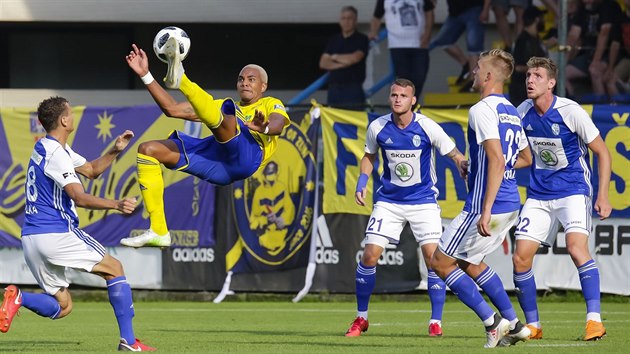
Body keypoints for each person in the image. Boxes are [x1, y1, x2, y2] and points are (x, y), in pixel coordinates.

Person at [0, 96, 155, 351]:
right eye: (70, 113)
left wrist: (115, 149)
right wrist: (116, 205)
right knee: (114, 268)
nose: (72, 117)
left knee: (63, 306)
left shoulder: (50, 148)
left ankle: (18, 297)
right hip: (56, 233)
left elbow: (92, 170)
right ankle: (128, 341)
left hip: (30, 238)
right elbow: (79, 197)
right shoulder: (56, 155)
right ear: (63, 120)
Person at [121, 39, 290, 248]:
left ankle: (182, 79)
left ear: (263, 86)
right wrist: (145, 75)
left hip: (247, 157)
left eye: (251, 79)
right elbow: (172, 110)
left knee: (226, 114)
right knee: (148, 150)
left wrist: (263, 127)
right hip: (218, 163)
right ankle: (159, 230)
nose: (244, 82)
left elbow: (278, 123)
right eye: (241, 79)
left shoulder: (270, 103)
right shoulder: (219, 107)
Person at [345, 78, 468, 338]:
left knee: (434, 261)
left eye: (403, 95)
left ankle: (436, 322)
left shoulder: (426, 126)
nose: (397, 99)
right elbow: (368, 155)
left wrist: (460, 161)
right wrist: (363, 181)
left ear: (413, 100)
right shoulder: (378, 126)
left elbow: (452, 150)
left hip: (423, 202)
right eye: (393, 95)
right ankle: (361, 318)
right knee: (369, 256)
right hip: (389, 202)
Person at [429, 49, 533, 348]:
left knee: (440, 263)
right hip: (511, 202)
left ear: (488, 76)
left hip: (486, 205)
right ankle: (514, 324)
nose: (473, 72)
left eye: (477, 68)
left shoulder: (481, 109)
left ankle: (493, 322)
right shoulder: (511, 110)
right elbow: (524, 157)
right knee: (470, 263)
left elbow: (498, 159)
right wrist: (477, 167)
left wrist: (484, 209)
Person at [513, 57, 612, 341]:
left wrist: (602, 195)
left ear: (551, 83)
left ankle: (594, 321)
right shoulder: (522, 112)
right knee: (520, 258)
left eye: (537, 76)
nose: (530, 80)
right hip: (539, 195)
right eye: (528, 75)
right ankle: (533, 326)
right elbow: (524, 157)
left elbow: (602, 152)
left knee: (576, 248)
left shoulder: (571, 111)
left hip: (573, 191)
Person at [369, 0, 435, 103]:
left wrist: (427, 33)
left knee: (419, 77)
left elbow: (429, 12)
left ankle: (411, 106)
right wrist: (373, 33)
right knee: (403, 80)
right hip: (397, 45)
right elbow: (377, 16)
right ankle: (405, 108)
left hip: (419, 44)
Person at [429, 0, 491, 91]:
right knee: (442, 40)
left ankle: (473, 80)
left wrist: (485, 9)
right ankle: (466, 65)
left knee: (473, 44)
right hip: (455, 12)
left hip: (474, 8)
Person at [565, 0, 622, 97]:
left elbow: (604, 33)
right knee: (561, 72)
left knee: (595, 71)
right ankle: (572, 105)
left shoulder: (609, 5)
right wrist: (564, 60)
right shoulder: (583, 7)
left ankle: (601, 109)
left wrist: (596, 60)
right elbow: (574, 34)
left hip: (608, 53)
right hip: (588, 54)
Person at [320, 6, 370, 109]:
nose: (346, 21)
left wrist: (335, 57)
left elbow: (354, 58)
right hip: (334, 89)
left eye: (349, 18)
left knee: (354, 122)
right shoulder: (334, 40)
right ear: (340, 21)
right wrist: (343, 63)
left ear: (355, 21)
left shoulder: (362, 39)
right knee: (334, 122)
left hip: (353, 88)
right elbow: (323, 63)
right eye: (343, 18)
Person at [509, 6, 549, 106]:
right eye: (542, 18)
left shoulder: (535, 39)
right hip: (523, 93)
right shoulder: (523, 41)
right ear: (537, 19)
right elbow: (517, 67)